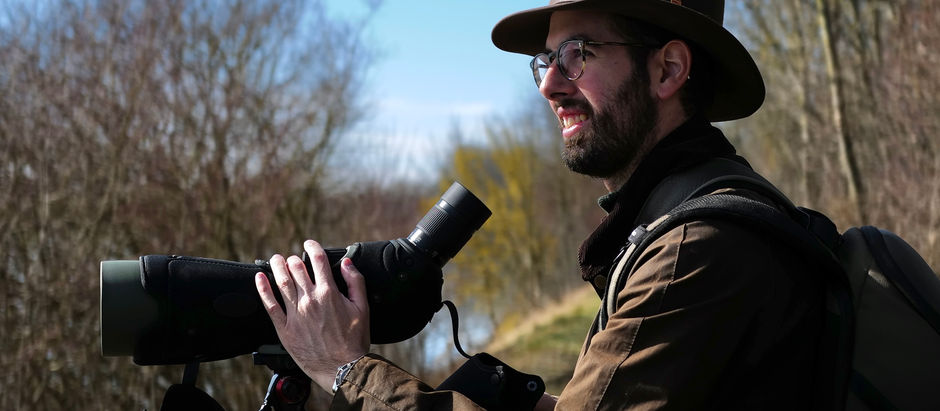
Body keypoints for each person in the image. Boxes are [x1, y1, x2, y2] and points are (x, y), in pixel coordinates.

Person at [254, 0, 826, 409]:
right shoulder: (693, 216)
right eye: (545, 60)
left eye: (577, 54)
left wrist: (345, 368)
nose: (549, 84)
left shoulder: (692, 251)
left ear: (667, 69)